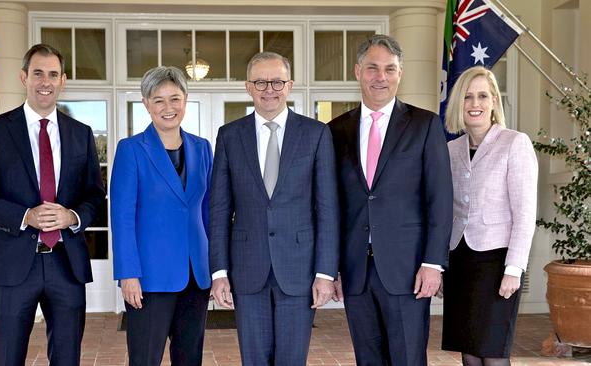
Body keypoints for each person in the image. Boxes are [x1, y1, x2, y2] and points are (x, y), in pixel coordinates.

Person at [0, 43, 106, 366]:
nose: (46, 81)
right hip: (12, 266)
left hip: (66, 265)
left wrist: (72, 216)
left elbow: (95, 196)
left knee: (67, 358)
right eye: (38, 73)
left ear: (63, 81)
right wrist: (25, 216)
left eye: (53, 74)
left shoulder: (80, 134)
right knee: (8, 357)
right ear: (23, 77)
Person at [328, 34, 453, 366]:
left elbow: (439, 199)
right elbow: (332, 206)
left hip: (408, 269)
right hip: (355, 270)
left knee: (408, 359)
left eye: (389, 69)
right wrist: (332, 268)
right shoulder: (335, 130)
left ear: (400, 73)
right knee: (367, 359)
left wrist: (433, 263)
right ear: (357, 71)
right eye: (372, 68)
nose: (380, 76)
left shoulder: (425, 125)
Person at [208, 51, 339, 365]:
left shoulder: (316, 134)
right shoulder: (230, 136)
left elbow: (327, 209)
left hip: (299, 270)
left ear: (290, 85)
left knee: (292, 359)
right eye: (261, 82)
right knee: (253, 359)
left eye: (277, 81)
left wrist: (324, 273)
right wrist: (219, 272)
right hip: (247, 270)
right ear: (248, 87)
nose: (270, 89)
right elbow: (219, 210)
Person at [110, 66, 213, 365]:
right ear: (146, 103)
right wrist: (128, 274)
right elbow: (122, 217)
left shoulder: (202, 147)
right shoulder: (131, 150)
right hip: (149, 278)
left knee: (190, 358)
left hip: (196, 274)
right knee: (145, 358)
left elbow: (208, 212)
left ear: (185, 100)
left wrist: (216, 268)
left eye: (175, 99)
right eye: (159, 100)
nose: (168, 108)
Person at [441, 66, 538, 366]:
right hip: (460, 261)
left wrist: (515, 268)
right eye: (468, 97)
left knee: (493, 354)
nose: (475, 103)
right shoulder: (450, 149)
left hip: (497, 264)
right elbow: (447, 210)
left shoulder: (515, 143)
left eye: (482, 95)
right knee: (469, 353)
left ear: (494, 100)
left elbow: (525, 213)